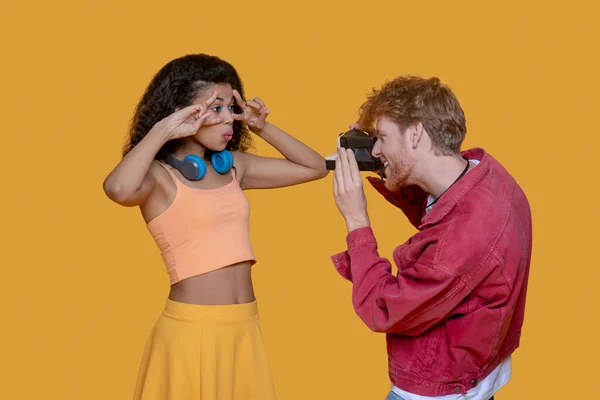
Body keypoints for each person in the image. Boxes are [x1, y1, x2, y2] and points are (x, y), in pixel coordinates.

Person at [103, 53, 328, 400]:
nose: (229, 121)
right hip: (191, 332)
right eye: (215, 108)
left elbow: (314, 167)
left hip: (243, 327)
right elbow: (117, 189)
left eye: (231, 108)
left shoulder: (234, 168)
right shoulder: (159, 177)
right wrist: (164, 128)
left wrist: (262, 126)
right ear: (183, 112)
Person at [331, 75, 532, 400]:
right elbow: (440, 215)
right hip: (478, 376)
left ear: (415, 134)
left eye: (381, 137)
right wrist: (387, 165)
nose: (376, 149)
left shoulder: (461, 239)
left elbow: (382, 308)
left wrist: (356, 219)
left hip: (436, 391)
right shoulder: (490, 177)